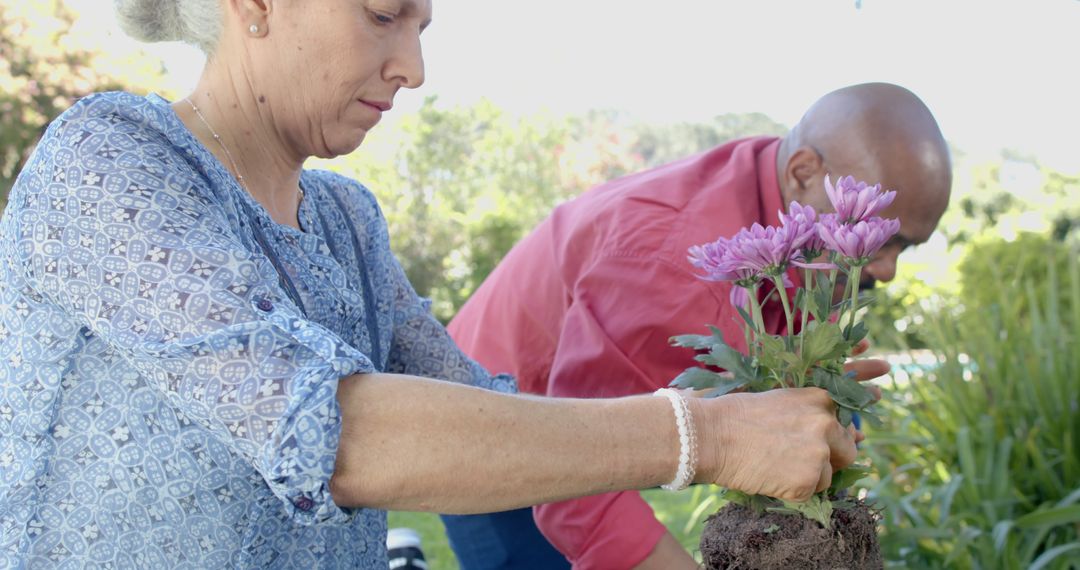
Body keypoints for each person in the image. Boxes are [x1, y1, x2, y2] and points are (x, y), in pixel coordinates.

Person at [0, 1, 875, 568]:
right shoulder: (111, 161)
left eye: (423, 27)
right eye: (384, 16)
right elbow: (336, 437)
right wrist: (708, 435)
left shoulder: (345, 219)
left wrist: (766, 392)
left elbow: (483, 416)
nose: (413, 68)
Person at [444, 82, 952, 569]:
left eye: (904, 245)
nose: (885, 269)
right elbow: (578, 492)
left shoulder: (783, 194)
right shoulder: (674, 266)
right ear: (803, 171)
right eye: (882, 238)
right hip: (490, 417)